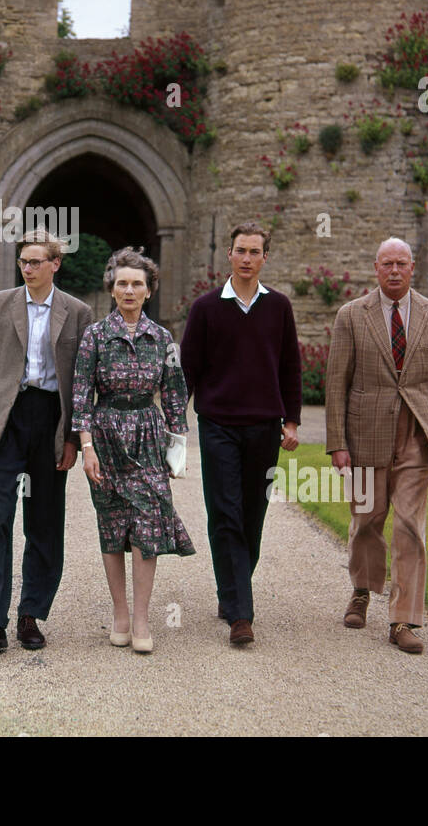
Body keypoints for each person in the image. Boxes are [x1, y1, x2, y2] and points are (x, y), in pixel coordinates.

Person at [0, 229, 95, 651]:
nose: (28, 267)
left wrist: (74, 439)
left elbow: (83, 383)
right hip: (6, 421)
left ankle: (30, 616)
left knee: (44, 524)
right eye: (23, 261)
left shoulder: (78, 312)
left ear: (56, 264)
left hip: (51, 424)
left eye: (36, 261)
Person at [325, 237, 428, 655]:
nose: (395, 271)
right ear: (375, 268)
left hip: (418, 435)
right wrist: (337, 444)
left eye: (402, 264)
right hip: (365, 436)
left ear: (412, 268)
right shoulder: (351, 315)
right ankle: (362, 591)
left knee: (409, 527)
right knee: (366, 520)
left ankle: (403, 619)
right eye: (387, 264)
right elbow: (336, 383)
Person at [180, 223, 301, 646]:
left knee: (253, 515)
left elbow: (290, 367)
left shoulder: (279, 307)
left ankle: (230, 590)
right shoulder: (206, 308)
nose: (247, 258)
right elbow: (188, 370)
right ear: (228, 255)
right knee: (225, 512)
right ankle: (241, 615)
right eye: (240, 251)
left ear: (265, 257)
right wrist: (176, 421)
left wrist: (292, 421)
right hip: (217, 425)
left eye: (255, 251)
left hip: (264, 426)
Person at [72, 247, 194, 655]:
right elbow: (80, 395)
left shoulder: (162, 339)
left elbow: (176, 395)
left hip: (147, 433)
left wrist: (178, 448)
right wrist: (86, 447)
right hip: (105, 436)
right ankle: (120, 613)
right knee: (111, 524)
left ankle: (142, 617)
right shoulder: (94, 335)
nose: (129, 289)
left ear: (148, 290)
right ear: (112, 287)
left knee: (148, 524)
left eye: (136, 284)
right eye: (122, 282)